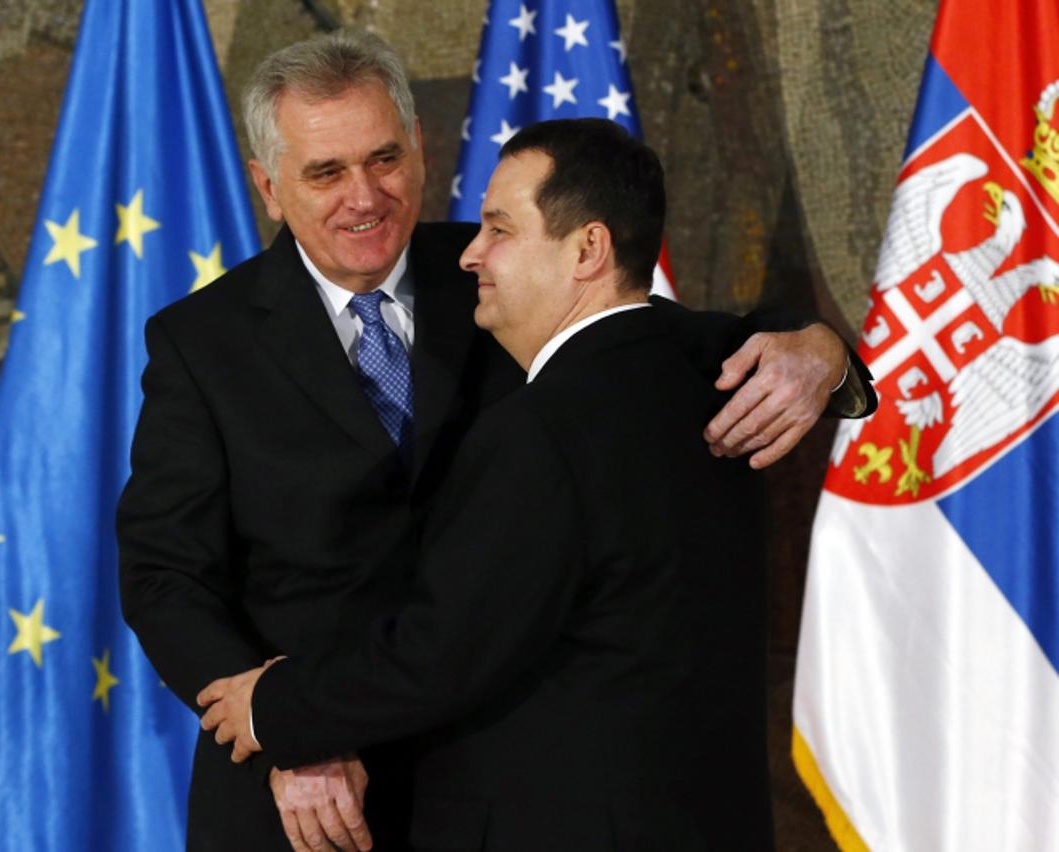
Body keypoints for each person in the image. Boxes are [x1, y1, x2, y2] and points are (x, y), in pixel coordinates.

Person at [116, 30, 870, 852]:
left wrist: (822, 353)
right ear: (269, 186)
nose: (364, 196)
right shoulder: (202, 342)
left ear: (420, 148)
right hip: (306, 796)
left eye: (384, 159)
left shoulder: (502, 273)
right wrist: (285, 735)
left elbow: (672, 339)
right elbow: (164, 575)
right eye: (326, 172)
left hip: (501, 783)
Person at [201, 118, 775, 851]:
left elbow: (443, 652)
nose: (472, 253)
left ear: (587, 249)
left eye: (500, 230)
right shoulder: (713, 392)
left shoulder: (540, 428)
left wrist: (272, 706)